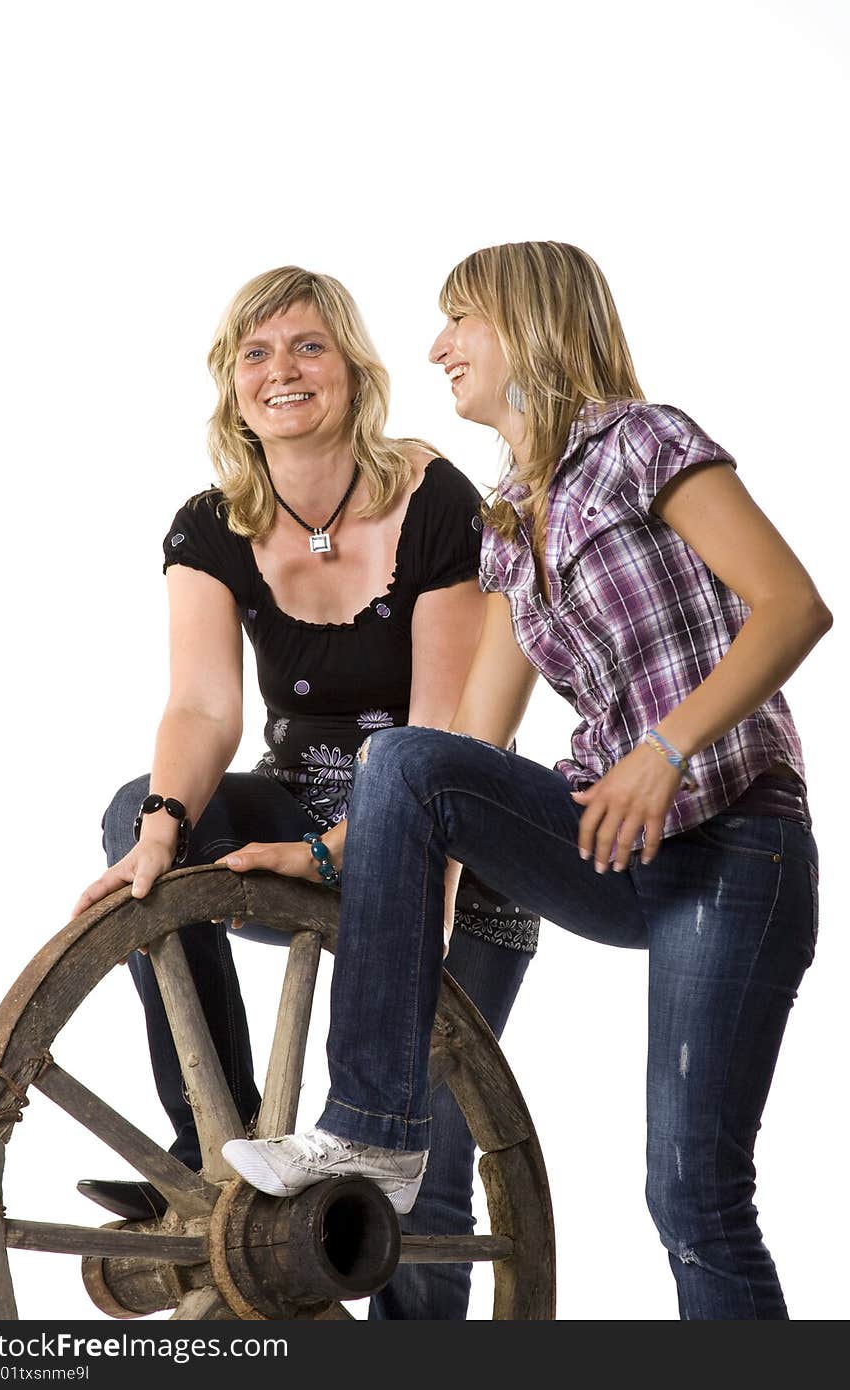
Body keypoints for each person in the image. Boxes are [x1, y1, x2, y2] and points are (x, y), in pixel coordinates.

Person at [221, 242, 831, 1320]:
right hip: (615, 843)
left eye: (461, 322)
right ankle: (375, 1128)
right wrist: (324, 853)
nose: (436, 348)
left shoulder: (645, 442)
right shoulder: (507, 521)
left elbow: (792, 605)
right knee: (402, 755)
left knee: (692, 1197)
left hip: (738, 845)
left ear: (532, 326)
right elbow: (454, 757)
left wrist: (665, 745)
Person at [72, 264, 539, 1321]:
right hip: (294, 811)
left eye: (308, 346)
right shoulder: (210, 524)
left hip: (451, 837)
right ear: (232, 385)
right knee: (138, 811)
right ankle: (218, 1141)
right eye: (256, 353)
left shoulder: (434, 502)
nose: (282, 370)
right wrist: (158, 831)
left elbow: (440, 744)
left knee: (426, 1174)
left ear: (354, 370)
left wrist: (361, 856)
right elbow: (200, 710)